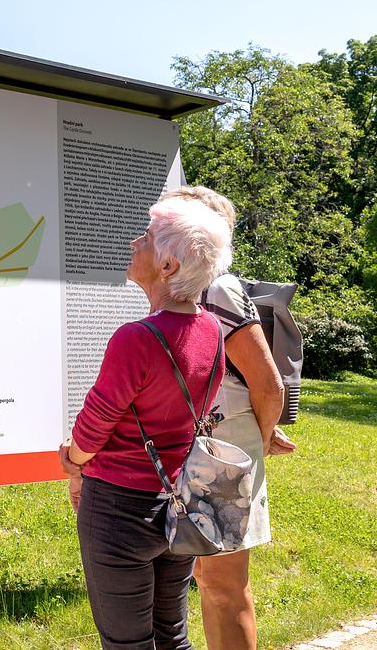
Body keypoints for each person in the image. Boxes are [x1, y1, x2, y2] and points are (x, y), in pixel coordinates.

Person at [60, 196, 233, 650]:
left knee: (127, 642)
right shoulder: (211, 330)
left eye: (147, 237)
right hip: (180, 502)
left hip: (120, 508)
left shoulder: (136, 338)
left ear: (167, 265)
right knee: (171, 634)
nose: (135, 243)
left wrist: (73, 461)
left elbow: (96, 422)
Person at [159, 186, 295, 650]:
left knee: (223, 583)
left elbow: (268, 384)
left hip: (224, 451)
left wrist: (260, 439)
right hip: (195, 451)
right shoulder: (182, 286)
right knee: (206, 577)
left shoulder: (219, 287)